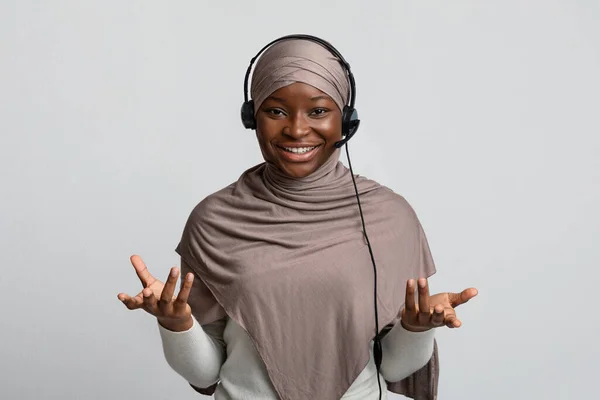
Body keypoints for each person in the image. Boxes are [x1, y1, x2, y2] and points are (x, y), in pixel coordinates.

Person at [117, 35, 478, 400]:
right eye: (275, 111)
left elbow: (392, 369)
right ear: (251, 117)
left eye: (318, 111)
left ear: (346, 121)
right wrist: (176, 324)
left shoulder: (389, 218)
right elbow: (208, 372)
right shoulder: (214, 221)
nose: (297, 129)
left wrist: (416, 329)